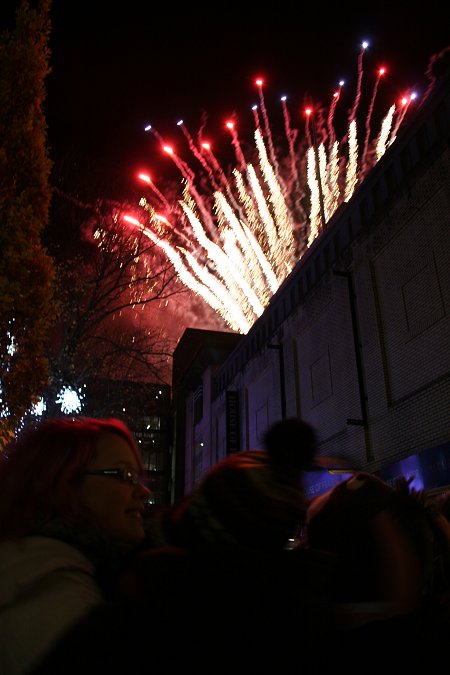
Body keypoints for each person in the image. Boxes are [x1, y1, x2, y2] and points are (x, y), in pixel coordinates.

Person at [0, 416, 151, 675]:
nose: (143, 492)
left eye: (137, 476)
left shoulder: (56, 568)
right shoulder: (52, 592)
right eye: (124, 474)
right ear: (63, 483)